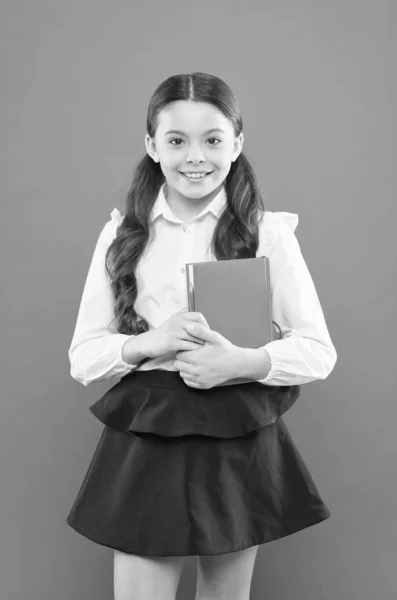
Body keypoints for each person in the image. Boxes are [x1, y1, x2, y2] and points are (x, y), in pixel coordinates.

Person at [66, 72, 338, 600]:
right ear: (151, 146)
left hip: (235, 426)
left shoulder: (268, 233)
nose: (196, 156)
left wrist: (241, 364)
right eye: (176, 140)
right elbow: (83, 357)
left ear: (236, 144)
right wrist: (150, 342)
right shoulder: (124, 234)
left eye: (213, 139)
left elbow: (318, 351)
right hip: (149, 428)